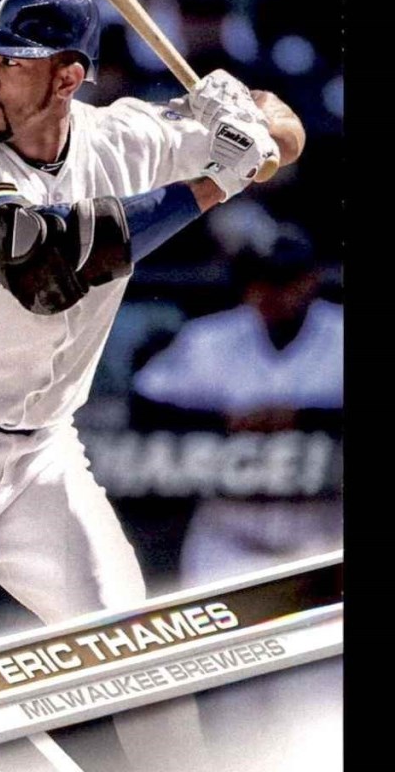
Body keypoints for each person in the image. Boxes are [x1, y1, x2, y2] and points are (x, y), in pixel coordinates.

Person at [0, 0, 305, 635]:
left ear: (67, 77)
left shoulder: (127, 136)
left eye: (9, 61)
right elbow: (44, 268)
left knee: (134, 648)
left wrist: (249, 121)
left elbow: (288, 134)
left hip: (42, 454)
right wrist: (213, 183)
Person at [132, 222, 342, 585]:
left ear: (311, 279)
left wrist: (302, 419)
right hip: (227, 539)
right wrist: (224, 421)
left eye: (285, 279)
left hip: (327, 536)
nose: (272, 291)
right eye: (260, 279)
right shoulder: (208, 339)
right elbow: (145, 407)